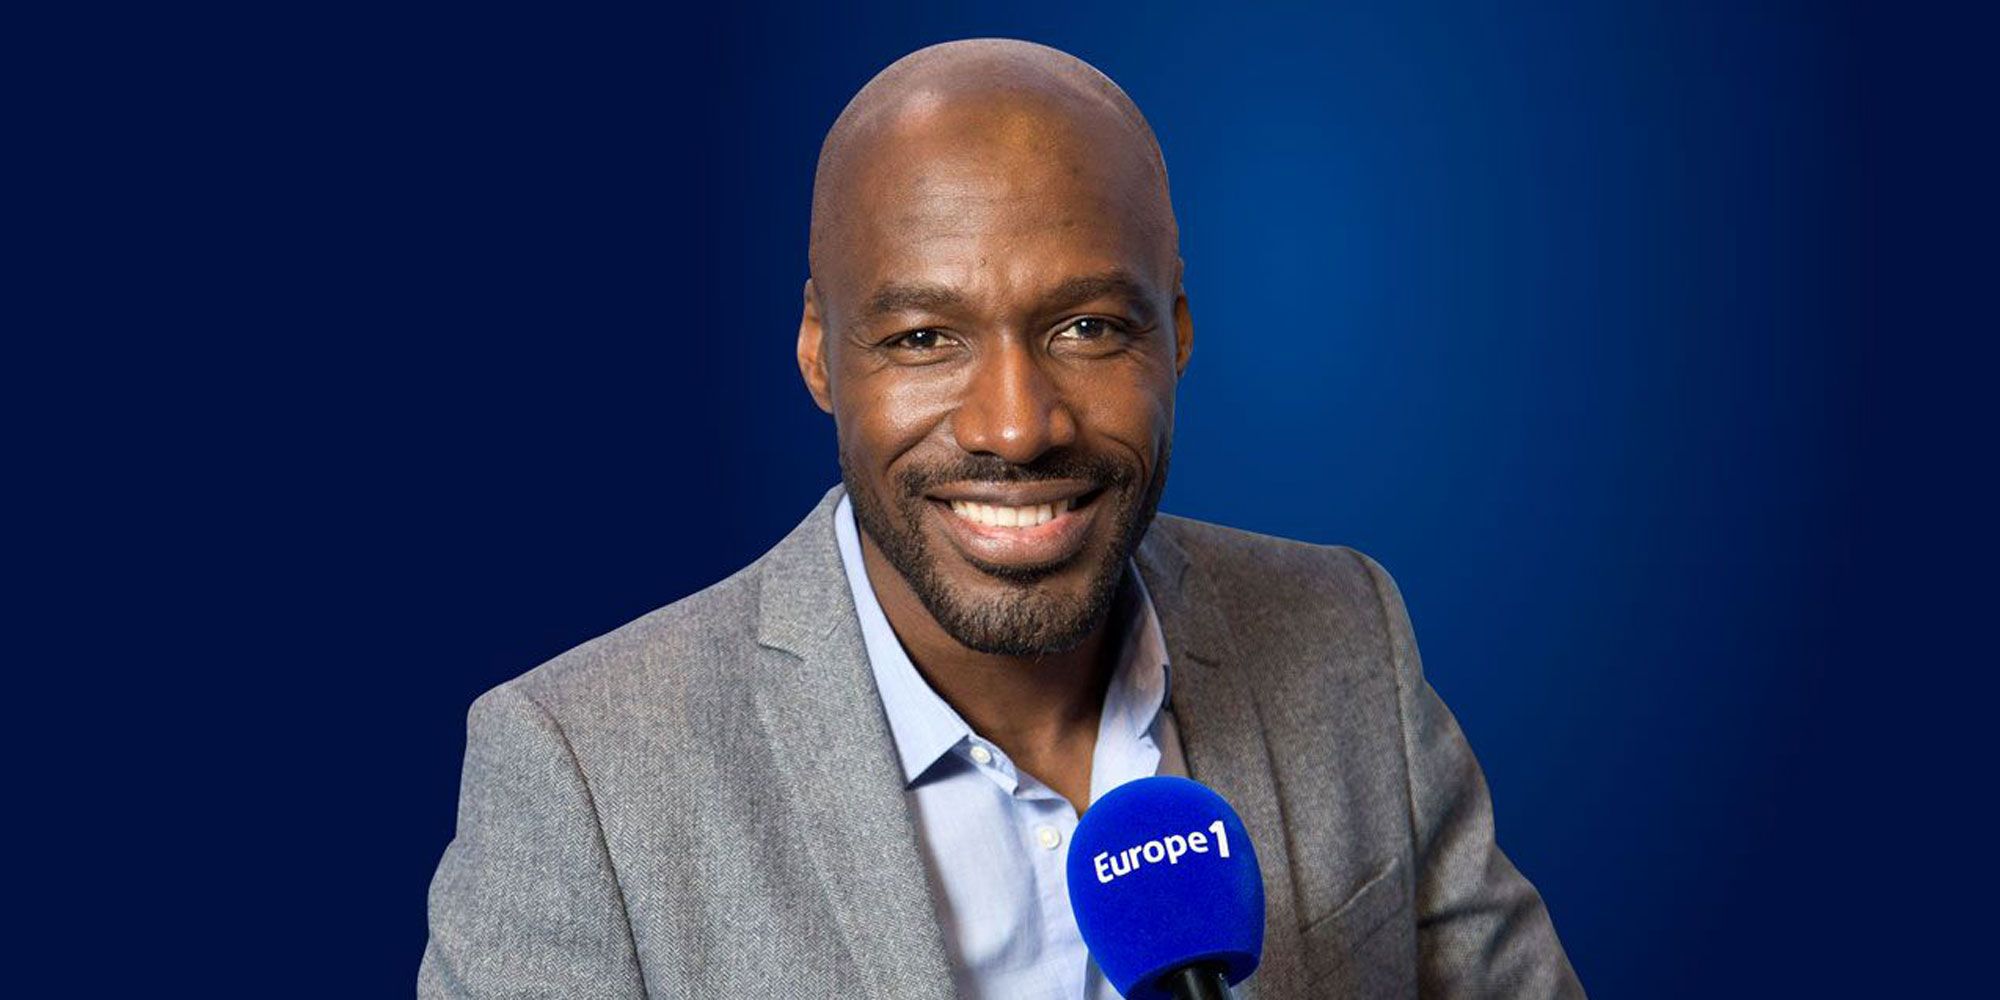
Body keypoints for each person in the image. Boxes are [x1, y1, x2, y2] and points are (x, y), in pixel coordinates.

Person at [420, 38, 1583, 1000]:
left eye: (1086, 328)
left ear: (1176, 332)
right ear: (820, 352)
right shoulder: (584, 776)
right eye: (924, 338)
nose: (1017, 427)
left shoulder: (1343, 634)